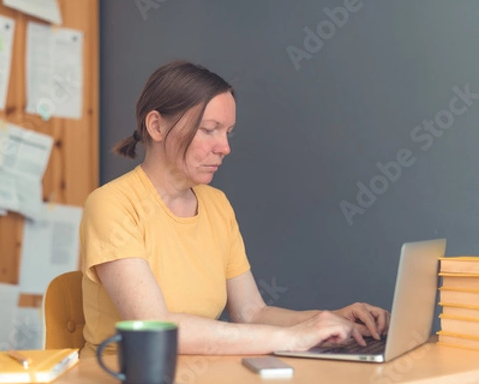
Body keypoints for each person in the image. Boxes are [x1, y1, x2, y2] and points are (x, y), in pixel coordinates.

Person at [79, 60, 389, 358]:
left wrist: (327, 320)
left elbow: (251, 313)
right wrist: (292, 338)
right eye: (209, 129)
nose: (225, 148)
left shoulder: (217, 205)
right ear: (157, 126)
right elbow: (155, 328)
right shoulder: (111, 205)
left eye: (228, 132)